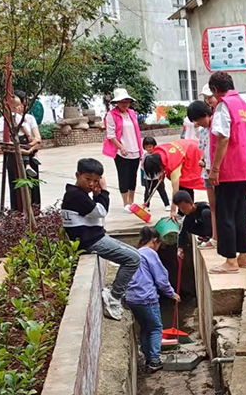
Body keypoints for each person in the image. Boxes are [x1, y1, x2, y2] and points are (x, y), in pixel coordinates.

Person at [61, 158, 141, 321]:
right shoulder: (75, 194)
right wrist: (103, 192)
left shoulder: (81, 194)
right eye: (88, 179)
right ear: (77, 175)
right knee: (133, 259)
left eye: (96, 181)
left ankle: (115, 291)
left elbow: (96, 212)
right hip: (90, 242)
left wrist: (97, 195)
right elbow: (101, 212)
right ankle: (114, 296)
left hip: (96, 237)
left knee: (135, 254)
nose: (91, 184)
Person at [208, 72, 246, 274]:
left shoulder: (223, 105)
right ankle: (243, 255)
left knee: (225, 212)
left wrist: (215, 168)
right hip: (243, 167)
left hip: (229, 167)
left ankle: (230, 260)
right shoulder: (243, 105)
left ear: (215, 90)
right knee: (240, 212)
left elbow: (223, 137)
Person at [125, 226, 179, 373]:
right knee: (156, 328)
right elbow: (161, 277)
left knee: (145, 327)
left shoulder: (135, 253)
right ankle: (155, 360)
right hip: (146, 297)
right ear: (155, 241)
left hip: (132, 298)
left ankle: (147, 357)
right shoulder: (150, 253)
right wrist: (171, 293)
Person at [0, 90, 42, 210]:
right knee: (17, 187)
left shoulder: (29, 118)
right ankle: (18, 213)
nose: (20, 108)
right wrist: (26, 149)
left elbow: (38, 139)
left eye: (20, 105)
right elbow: (7, 142)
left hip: (28, 151)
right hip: (16, 156)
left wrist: (31, 147)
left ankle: (35, 212)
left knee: (33, 186)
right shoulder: (4, 120)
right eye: (18, 105)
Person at [102, 88, 144, 210]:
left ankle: (131, 201)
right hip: (121, 151)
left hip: (135, 149)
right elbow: (110, 135)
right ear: (117, 103)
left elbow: (136, 132)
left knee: (133, 177)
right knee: (123, 176)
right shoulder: (111, 115)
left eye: (127, 101)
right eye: (122, 101)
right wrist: (121, 147)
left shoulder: (131, 113)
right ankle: (125, 203)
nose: (125, 104)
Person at [141, 138, 204, 219]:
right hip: (186, 147)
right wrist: (162, 173)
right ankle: (183, 212)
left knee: (187, 184)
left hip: (193, 153)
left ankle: (188, 212)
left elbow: (175, 190)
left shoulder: (173, 164)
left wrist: (172, 210)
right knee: (183, 185)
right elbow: (163, 163)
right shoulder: (158, 152)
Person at [188, 99, 217, 248]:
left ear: (206, 114)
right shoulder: (203, 131)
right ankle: (215, 237)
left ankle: (220, 237)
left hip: (216, 173)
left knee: (220, 207)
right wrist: (202, 160)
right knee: (213, 206)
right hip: (207, 172)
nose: (197, 123)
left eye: (198, 120)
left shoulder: (216, 128)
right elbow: (204, 150)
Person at [173, 191, 214, 258]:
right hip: (206, 228)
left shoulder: (204, 208)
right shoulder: (189, 214)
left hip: (217, 229)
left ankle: (210, 237)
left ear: (191, 203)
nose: (183, 210)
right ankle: (206, 236)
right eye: (180, 208)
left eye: (184, 208)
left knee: (205, 214)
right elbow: (182, 231)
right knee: (188, 226)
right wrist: (180, 248)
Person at [141, 137, 170, 211]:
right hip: (148, 178)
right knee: (147, 192)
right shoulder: (144, 156)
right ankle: (146, 205)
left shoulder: (157, 155)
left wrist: (162, 174)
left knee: (162, 191)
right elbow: (142, 167)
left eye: (150, 146)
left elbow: (162, 165)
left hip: (158, 178)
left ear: (154, 146)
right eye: (146, 147)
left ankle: (167, 204)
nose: (149, 149)